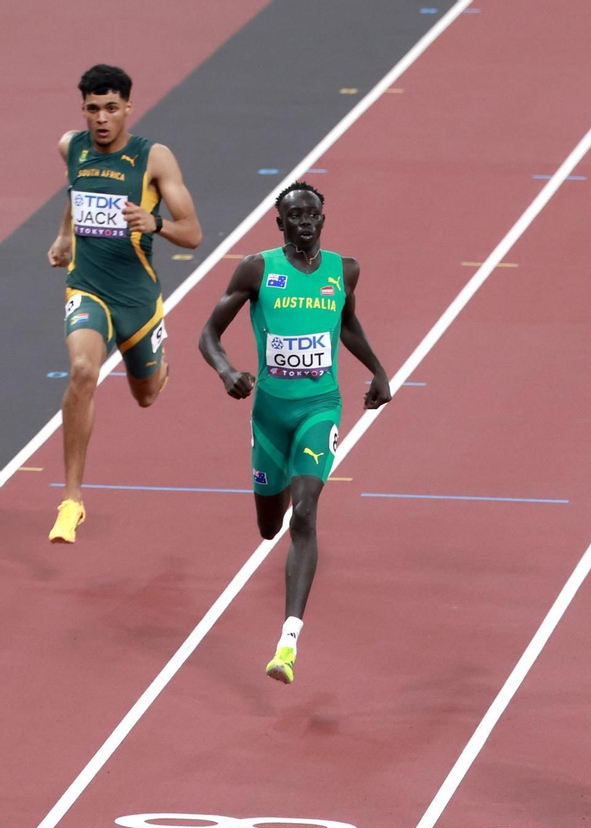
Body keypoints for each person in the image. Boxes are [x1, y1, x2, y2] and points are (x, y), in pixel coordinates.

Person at [197, 183, 391, 684]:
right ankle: (274, 472)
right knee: (268, 528)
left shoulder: (343, 271)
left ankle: (287, 641)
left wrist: (378, 370)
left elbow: (346, 323)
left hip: (320, 409)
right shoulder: (257, 270)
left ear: (323, 220)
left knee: (304, 513)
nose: (305, 221)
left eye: (313, 214)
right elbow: (208, 334)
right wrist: (226, 371)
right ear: (279, 224)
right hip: (269, 416)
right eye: (295, 215)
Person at [48, 64, 202, 543]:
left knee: (146, 396)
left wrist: (152, 223)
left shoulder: (153, 158)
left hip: (136, 296)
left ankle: (159, 369)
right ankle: (71, 498)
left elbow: (193, 234)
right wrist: (63, 237)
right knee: (82, 371)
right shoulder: (70, 146)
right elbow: (76, 194)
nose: (101, 118)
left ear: (128, 108)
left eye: (111, 108)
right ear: (83, 110)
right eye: (93, 109)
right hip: (87, 286)